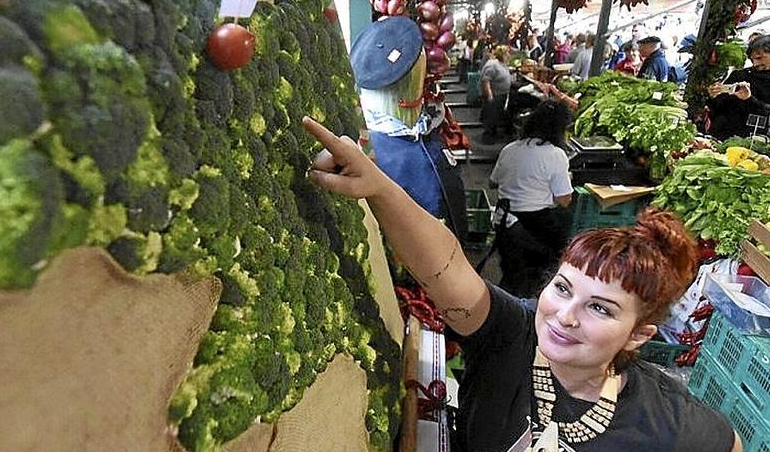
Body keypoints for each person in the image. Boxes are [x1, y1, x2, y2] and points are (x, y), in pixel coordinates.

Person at [300, 116, 742, 452]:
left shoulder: (667, 421)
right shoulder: (512, 335)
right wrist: (379, 188)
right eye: (564, 288)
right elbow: (449, 266)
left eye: (601, 308)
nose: (565, 317)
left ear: (640, 335)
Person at [489, 100, 574, 298]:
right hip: (536, 226)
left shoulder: (509, 149)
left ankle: (504, 306)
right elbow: (564, 200)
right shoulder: (556, 155)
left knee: (512, 273)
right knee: (540, 270)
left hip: (505, 222)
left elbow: (493, 182)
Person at [707, 34, 770, 140]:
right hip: (720, 136)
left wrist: (749, 99)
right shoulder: (740, 75)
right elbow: (717, 106)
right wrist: (714, 95)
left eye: (759, 58)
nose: (756, 63)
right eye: (752, 59)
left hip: (755, 141)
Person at [479, 45, 513, 141]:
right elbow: (486, 80)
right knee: (491, 117)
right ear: (502, 54)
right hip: (494, 95)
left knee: (496, 116)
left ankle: (493, 134)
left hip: (501, 95)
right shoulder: (492, 64)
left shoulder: (502, 64)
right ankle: (487, 138)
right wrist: (489, 94)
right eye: (507, 53)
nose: (508, 55)